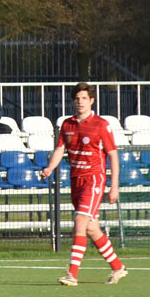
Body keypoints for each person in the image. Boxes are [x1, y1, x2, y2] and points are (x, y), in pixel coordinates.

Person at [41, 82, 127, 286]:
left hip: (94, 178)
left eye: (84, 98)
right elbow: (60, 149)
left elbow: (113, 156)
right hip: (75, 181)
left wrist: (114, 186)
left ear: (91, 101)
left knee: (79, 221)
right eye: (77, 98)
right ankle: (118, 267)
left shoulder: (101, 125)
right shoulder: (67, 124)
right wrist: (50, 168)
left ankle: (72, 274)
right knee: (91, 228)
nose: (80, 102)